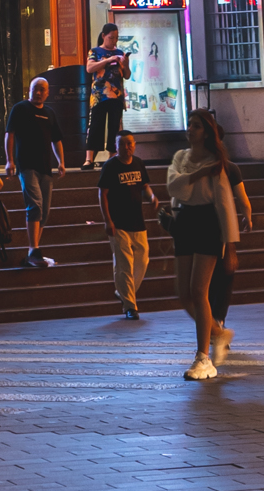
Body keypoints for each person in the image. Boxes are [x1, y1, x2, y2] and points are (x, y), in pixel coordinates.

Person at [166, 108, 241, 383]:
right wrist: (198, 174)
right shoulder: (181, 157)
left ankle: (203, 357)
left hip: (209, 222)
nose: (190, 129)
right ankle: (219, 334)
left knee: (199, 291)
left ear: (207, 132)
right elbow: (175, 188)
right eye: (189, 124)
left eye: (196, 125)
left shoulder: (216, 162)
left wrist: (230, 245)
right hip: (185, 220)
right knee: (183, 294)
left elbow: (224, 202)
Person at [203, 112, 253, 369]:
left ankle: (216, 326)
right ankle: (216, 327)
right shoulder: (207, 166)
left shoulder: (227, 168)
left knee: (219, 279)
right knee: (212, 282)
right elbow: (243, 200)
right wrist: (247, 217)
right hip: (210, 231)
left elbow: (242, 200)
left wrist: (246, 216)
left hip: (217, 231)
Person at [3, 75, 62, 268]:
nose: (37, 92)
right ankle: (33, 249)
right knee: (35, 205)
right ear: (29, 90)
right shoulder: (20, 109)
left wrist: (61, 162)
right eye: (34, 88)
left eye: (41, 89)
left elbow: (56, 139)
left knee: (44, 211)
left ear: (47, 92)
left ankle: (33, 251)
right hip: (26, 165)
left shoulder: (50, 113)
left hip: (46, 167)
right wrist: (9, 160)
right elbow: (10, 134)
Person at [99, 130, 155, 318]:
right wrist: (107, 220)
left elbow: (144, 186)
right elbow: (102, 194)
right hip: (118, 223)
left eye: (130, 143)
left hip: (138, 221)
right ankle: (130, 307)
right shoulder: (110, 166)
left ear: (135, 144)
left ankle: (123, 292)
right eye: (122, 143)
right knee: (124, 265)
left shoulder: (138, 163)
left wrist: (152, 197)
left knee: (143, 260)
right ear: (116, 146)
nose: (126, 147)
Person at [84, 24, 130, 163]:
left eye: (116, 38)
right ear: (103, 36)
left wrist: (125, 64)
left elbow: (127, 75)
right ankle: (89, 159)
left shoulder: (120, 53)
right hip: (99, 95)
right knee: (95, 125)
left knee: (114, 127)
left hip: (116, 95)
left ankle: (112, 157)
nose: (114, 41)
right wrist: (108, 60)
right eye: (111, 38)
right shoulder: (95, 51)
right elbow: (89, 68)